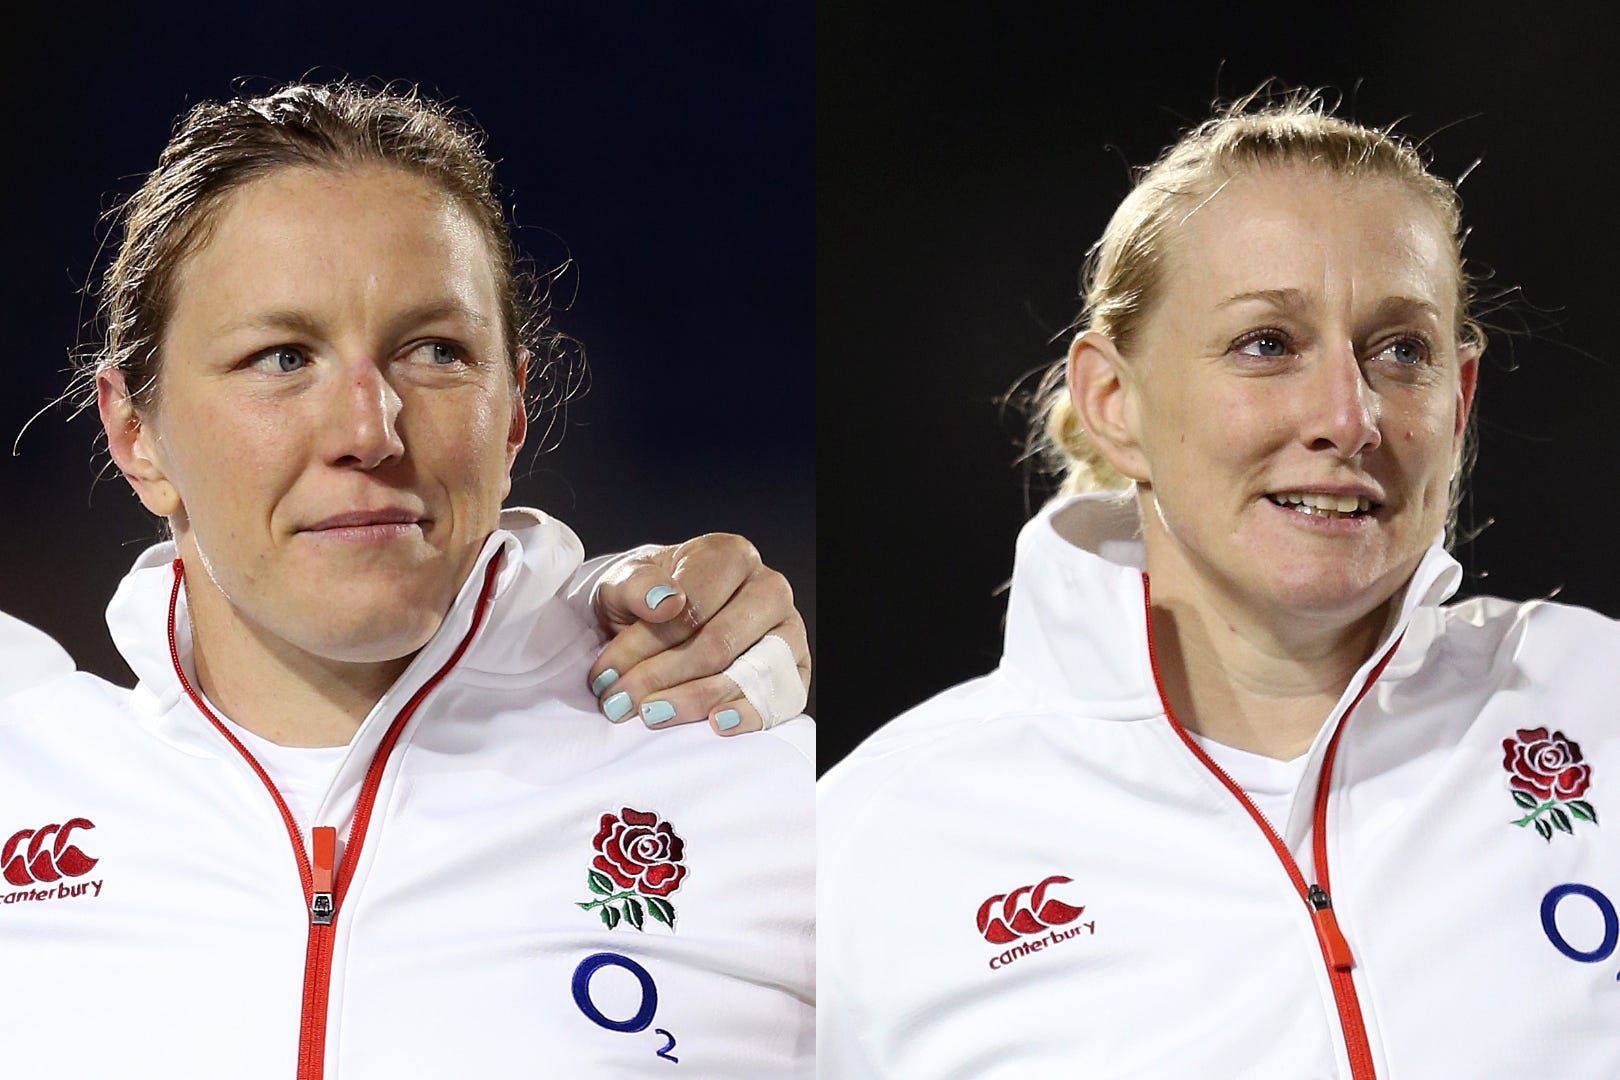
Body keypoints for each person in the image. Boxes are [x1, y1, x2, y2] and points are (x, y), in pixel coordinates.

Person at [0, 82, 812, 1078]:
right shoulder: (24, 776)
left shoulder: (770, 808)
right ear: (137, 435)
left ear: (512, 413)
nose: (369, 431)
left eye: (435, 352)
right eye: (281, 356)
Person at [819, 90, 1619, 1078]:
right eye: (1267, 345)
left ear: (1459, 402)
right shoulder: (876, 840)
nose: (1348, 415)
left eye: (1401, 350)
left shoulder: (1598, 700)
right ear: (1113, 403)